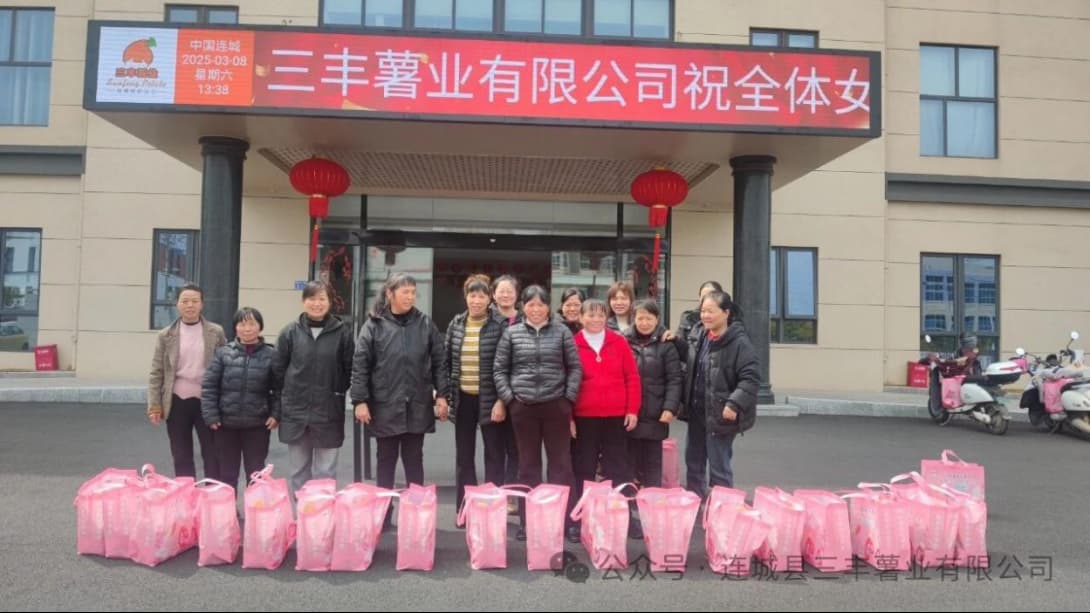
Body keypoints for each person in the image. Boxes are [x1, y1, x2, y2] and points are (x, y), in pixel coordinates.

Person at [352, 273, 448, 514]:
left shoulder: (425, 324)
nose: (410, 297)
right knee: (385, 461)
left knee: (414, 460)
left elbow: (440, 362)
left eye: (413, 292)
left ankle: (416, 515)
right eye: (405, 292)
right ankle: (383, 514)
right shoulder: (374, 325)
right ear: (390, 293)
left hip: (417, 403)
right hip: (385, 404)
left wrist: (442, 395)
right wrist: (360, 400)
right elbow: (360, 364)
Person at [493, 285, 582, 542]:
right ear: (523, 306)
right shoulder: (512, 333)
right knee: (528, 467)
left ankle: (567, 522)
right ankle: (527, 521)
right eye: (530, 304)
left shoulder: (561, 331)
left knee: (561, 466)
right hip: (523, 408)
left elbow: (575, 368)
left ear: (547, 306)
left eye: (540, 304)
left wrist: (568, 399)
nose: (535, 309)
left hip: (556, 406)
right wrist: (511, 400)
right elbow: (500, 370)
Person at [275, 281, 355, 493]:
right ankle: (302, 511)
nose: (317, 304)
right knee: (298, 470)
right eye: (312, 298)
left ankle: (322, 512)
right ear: (304, 301)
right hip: (296, 411)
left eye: (322, 299)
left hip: (328, 411)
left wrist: (335, 391)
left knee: (325, 471)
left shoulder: (342, 333)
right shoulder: (290, 332)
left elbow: (349, 369)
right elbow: (278, 370)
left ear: (330, 302)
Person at [571, 299, 641, 538]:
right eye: (590, 315)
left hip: (616, 416)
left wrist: (632, 409)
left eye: (600, 315)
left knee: (619, 468)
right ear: (581, 317)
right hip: (584, 417)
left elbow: (632, 377)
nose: (596, 319)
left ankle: (623, 516)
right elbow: (566, 382)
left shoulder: (618, 341)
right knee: (584, 468)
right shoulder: (573, 344)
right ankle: (581, 517)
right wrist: (569, 418)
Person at [680, 291, 759, 496]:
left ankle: (722, 507)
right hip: (697, 412)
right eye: (703, 311)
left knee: (719, 466)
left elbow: (750, 378)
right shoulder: (699, 335)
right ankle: (695, 503)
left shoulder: (739, 342)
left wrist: (734, 404)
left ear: (726, 313)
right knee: (693, 461)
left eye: (711, 311)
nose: (705, 316)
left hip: (721, 414)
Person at [147, 283, 226, 480]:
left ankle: (213, 494)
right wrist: (154, 405)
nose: (190, 305)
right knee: (181, 454)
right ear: (177, 304)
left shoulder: (216, 332)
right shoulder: (165, 335)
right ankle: (186, 493)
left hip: (207, 401)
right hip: (176, 402)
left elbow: (225, 367)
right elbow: (157, 372)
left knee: (213, 453)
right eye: (185, 301)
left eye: (195, 301)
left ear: (202, 304)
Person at [445, 274, 507, 515]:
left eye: (482, 296)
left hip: (491, 400)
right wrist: (444, 396)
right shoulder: (456, 324)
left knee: (494, 456)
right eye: (473, 295)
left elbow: (507, 364)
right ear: (466, 297)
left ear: (490, 298)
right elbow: (447, 362)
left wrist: (502, 400)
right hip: (463, 399)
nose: (477, 301)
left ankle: (493, 510)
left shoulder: (499, 325)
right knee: (464, 457)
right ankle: (464, 508)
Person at [201, 307, 279, 491]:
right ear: (235, 327)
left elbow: (279, 389)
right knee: (227, 473)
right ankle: (228, 507)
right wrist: (211, 415)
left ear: (260, 327)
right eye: (242, 324)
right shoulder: (223, 353)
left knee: (256, 473)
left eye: (252, 324)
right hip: (225, 425)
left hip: (258, 425)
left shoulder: (272, 355)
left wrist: (276, 414)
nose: (247, 328)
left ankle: (255, 507)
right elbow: (209, 386)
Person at [624, 299, 683, 491]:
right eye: (640, 318)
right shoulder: (623, 342)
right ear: (633, 319)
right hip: (630, 414)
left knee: (652, 465)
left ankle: (651, 501)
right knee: (629, 464)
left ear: (657, 319)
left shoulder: (667, 345)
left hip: (656, 413)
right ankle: (629, 502)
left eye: (649, 318)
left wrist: (670, 407)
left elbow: (674, 379)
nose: (644, 323)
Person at [664, 281, 723, 363]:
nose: (707, 300)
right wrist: (675, 340)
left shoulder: (730, 325)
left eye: (710, 296)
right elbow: (686, 353)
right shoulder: (688, 318)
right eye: (703, 297)